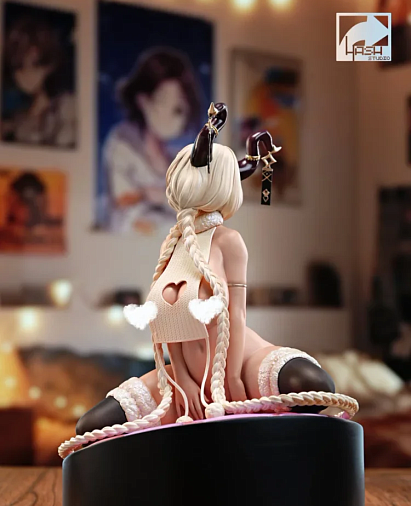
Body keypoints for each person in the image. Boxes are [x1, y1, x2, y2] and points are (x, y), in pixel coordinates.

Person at [59, 103, 358, 458]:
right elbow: (167, 320)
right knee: (92, 426)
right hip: (182, 376)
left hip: (239, 362)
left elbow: (236, 315)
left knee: (311, 385)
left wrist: (231, 380)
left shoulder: (229, 242)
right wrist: (184, 380)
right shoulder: (173, 245)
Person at [102, 48, 201, 234]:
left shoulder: (179, 159)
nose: (171, 114)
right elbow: (124, 213)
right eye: (163, 100)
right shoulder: (122, 146)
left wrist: (160, 198)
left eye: (178, 105)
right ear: (143, 101)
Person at [1, 14, 76, 147]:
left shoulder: (67, 107)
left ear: (48, 66)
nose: (26, 74)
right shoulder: (16, 119)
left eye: (34, 65)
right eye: (19, 66)